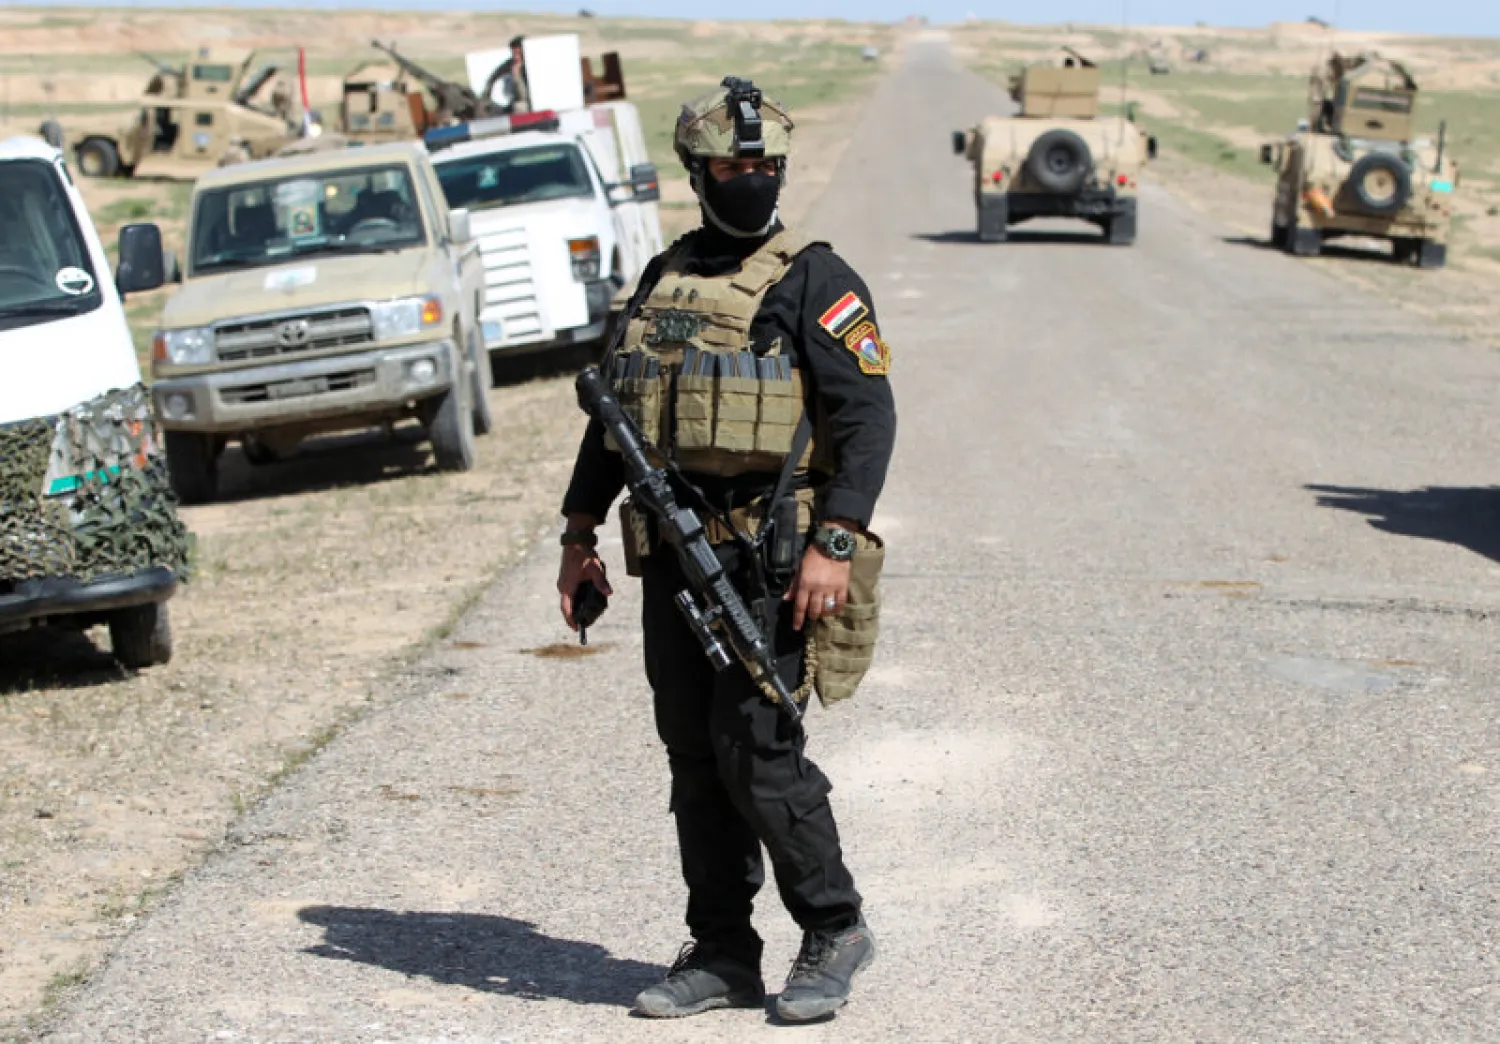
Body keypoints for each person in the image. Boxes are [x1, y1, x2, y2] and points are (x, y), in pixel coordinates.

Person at [556, 77, 895, 1022]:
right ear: (697, 172)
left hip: (770, 560)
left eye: (765, 165)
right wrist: (578, 535)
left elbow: (866, 419)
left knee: (759, 751)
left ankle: (835, 928)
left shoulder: (814, 279)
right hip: (670, 556)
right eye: (733, 165)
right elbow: (612, 424)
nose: (751, 179)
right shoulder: (665, 278)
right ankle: (721, 952)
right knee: (693, 758)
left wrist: (836, 541)